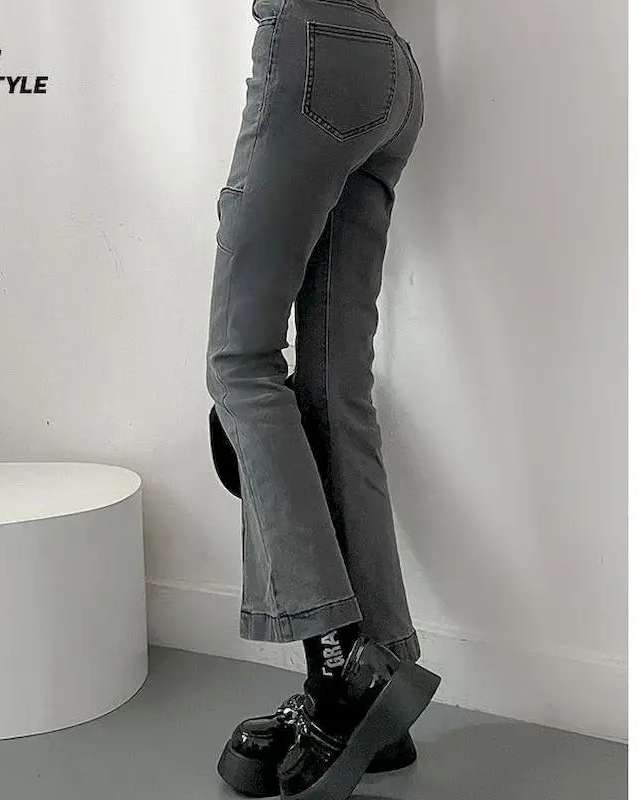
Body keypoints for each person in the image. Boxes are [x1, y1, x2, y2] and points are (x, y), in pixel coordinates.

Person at [205, 2, 441, 798]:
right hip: (390, 66)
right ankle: (384, 693)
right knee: (336, 389)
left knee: (240, 364)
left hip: (310, 46)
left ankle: (340, 674)